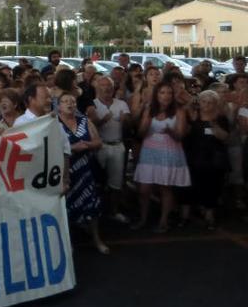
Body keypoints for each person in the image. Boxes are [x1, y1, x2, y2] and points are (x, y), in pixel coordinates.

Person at [134, 82, 190, 232]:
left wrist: (170, 131)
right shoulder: (149, 110)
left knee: (165, 187)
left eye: (169, 93)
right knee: (144, 189)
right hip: (149, 151)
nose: (166, 96)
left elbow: (180, 136)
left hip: (169, 151)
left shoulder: (179, 111)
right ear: (156, 95)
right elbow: (140, 133)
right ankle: (143, 219)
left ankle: (163, 221)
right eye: (162, 93)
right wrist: (145, 123)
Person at [58, 92, 108, 254]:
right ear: (58, 106)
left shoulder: (84, 121)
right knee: (67, 208)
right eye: (65, 101)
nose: (69, 104)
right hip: (65, 170)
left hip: (85, 170)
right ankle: (68, 242)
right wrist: (72, 148)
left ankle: (97, 239)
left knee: (91, 204)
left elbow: (98, 141)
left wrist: (87, 144)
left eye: (72, 101)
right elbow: (51, 148)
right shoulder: (54, 123)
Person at [86, 76, 131, 224]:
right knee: (96, 182)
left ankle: (114, 211)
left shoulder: (122, 103)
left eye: (110, 86)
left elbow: (127, 121)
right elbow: (90, 126)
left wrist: (126, 120)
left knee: (116, 183)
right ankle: (96, 212)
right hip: (100, 146)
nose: (107, 89)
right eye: (103, 86)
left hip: (117, 145)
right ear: (97, 88)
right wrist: (103, 120)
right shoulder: (92, 104)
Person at [183, 90, 230, 230]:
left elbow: (225, 137)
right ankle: (185, 216)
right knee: (190, 186)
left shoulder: (221, 118)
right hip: (194, 156)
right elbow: (186, 132)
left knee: (212, 186)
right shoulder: (193, 116)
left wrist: (214, 125)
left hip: (214, 159)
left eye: (211, 102)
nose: (207, 105)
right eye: (204, 101)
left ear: (216, 104)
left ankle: (210, 215)